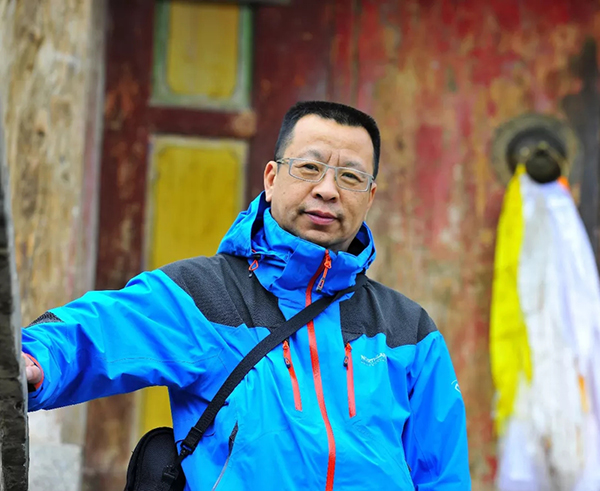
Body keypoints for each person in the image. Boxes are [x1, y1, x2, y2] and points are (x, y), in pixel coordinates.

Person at [22, 101, 471, 490]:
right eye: (309, 168)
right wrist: (33, 360)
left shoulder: (409, 331)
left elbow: (443, 476)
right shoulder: (203, 297)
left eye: (350, 177)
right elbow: (97, 330)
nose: (327, 190)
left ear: (370, 197)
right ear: (272, 178)